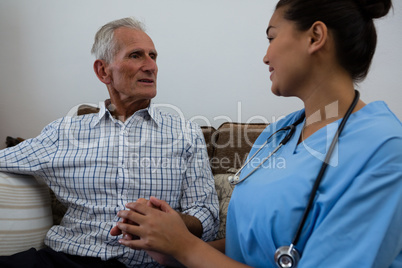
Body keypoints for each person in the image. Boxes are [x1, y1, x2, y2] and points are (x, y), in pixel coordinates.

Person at [111, 0, 402, 267]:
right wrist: (170, 247)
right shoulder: (278, 134)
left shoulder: (383, 149)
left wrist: (185, 245)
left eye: (272, 37)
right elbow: (252, 247)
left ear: (315, 37)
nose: (265, 56)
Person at [0, 17, 219, 267]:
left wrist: (166, 222)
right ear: (103, 71)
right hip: (69, 260)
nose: (151, 66)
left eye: (153, 56)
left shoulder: (186, 133)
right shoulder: (63, 132)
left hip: (151, 264)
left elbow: (207, 218)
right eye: (136, 55)